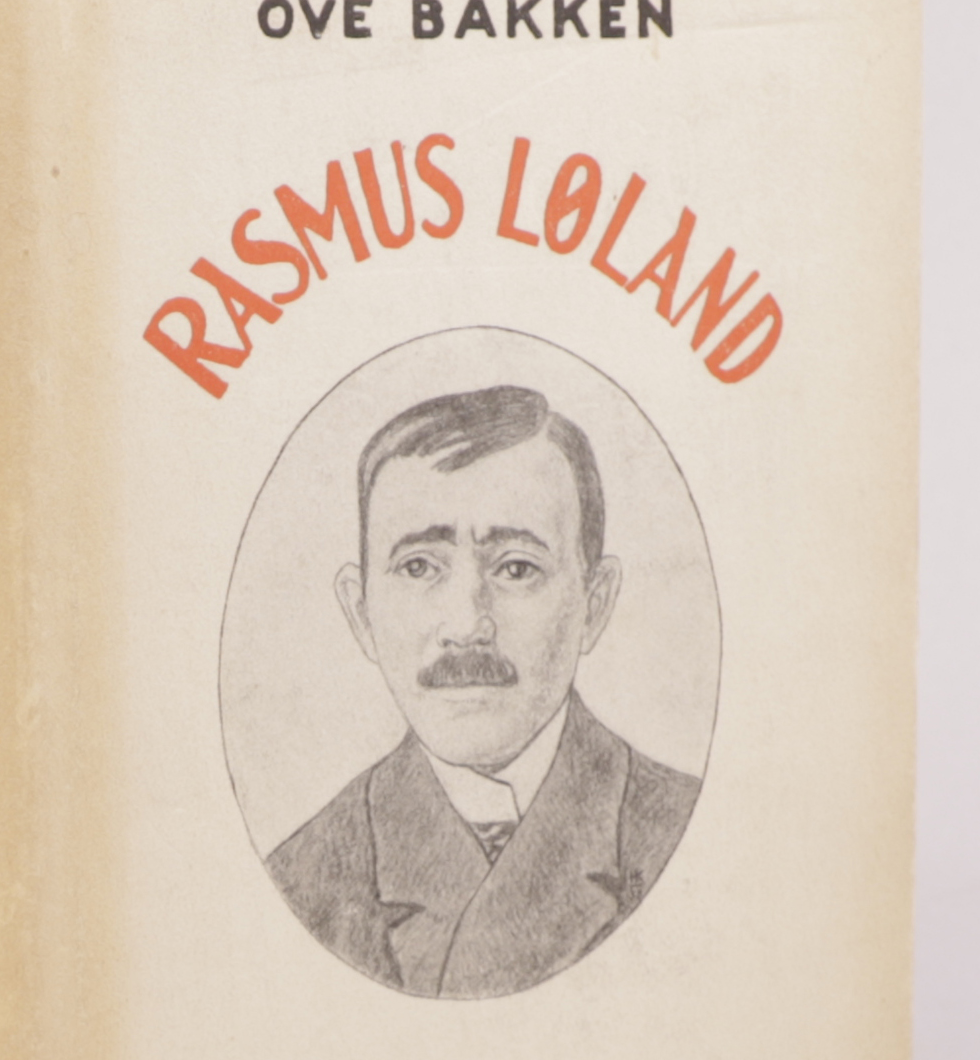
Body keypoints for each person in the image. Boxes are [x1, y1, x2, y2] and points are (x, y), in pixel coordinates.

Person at [267, 385, 700, 997]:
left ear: (595, 603)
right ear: (361, 613)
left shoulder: (689, 835)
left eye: (516, 568)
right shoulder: (301, 880)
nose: (468, 625)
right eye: (419, 567)